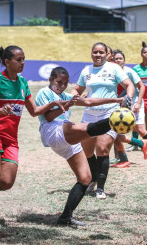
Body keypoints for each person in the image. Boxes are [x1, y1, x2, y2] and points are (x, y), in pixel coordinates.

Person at [0, 45, 67, 233]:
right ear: (7, 61)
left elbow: (34, 111)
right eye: (18, 60)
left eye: (23, 59)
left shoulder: (22, 83)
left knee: (5, 183)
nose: (23, 63)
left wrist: (53, 103)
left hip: (11, 139)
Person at [36, 67, 124, 225]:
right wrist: (68, 105)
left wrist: (115, 100)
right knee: (90, 128)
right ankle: (116, 120)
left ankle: (65, 217)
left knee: (85, 178)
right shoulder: (44, 92)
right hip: (52, 130)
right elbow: (48, 117)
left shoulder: (65, 95)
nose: (62, 86)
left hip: (64, 135)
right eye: (58, 82)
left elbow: (89, 101)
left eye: (65, 83)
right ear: (51, 80)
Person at [70, 42, 135, 199]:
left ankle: (101, 187)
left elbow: (129, 85)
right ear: (91, 54)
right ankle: (92, 179)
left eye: (101, 52)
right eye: (95, 52)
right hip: (89, 115)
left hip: (109, 114)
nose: (97, 55)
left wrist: (129, 98)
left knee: (103, 148)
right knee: (87, 150)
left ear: (107, 54)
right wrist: (73, 95)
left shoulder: (113, 68)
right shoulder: (86, 70)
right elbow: (77, 89)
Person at [111, 49, 147, 167]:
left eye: (120, 59)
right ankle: (120, 157)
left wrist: (138, 103)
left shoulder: (129, 72)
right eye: (116, 59)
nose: (118, 61)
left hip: (134, 104)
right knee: (115, 130)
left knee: (141, 130)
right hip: (119, 105)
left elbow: (141, 87)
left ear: (124, 60)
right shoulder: (111, 72)